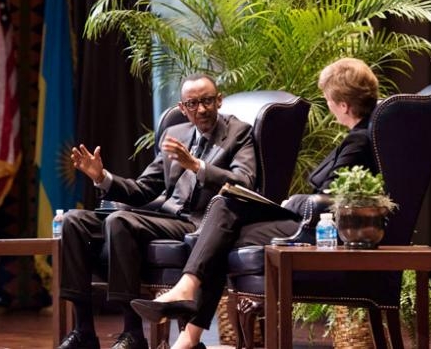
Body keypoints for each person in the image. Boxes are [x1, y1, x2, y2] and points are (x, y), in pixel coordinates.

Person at [130, 57, 380, 349]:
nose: (327, 104)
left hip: (317, 227)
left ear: (343, 104)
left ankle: (188, 312)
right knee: (223, 214)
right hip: (309, 218)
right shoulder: (358, 136)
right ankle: (189, 330)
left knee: (223, 219)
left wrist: (293, 200)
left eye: (328, 99)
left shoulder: (359, 141)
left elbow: (333, 198)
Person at [57, 74, 257, 349]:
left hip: (201, 222)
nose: (201, 109)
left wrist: (197, 166)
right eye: (193, 103)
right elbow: (143, 190)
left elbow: (244, 182)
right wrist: (101, 177)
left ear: (219, 100)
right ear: (182, 108)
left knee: (120, 221)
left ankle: (132, 332)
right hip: (166, 216)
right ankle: (83, 331)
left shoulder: (239, 132)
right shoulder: (174, 135)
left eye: (208, 101)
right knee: (73, 221)